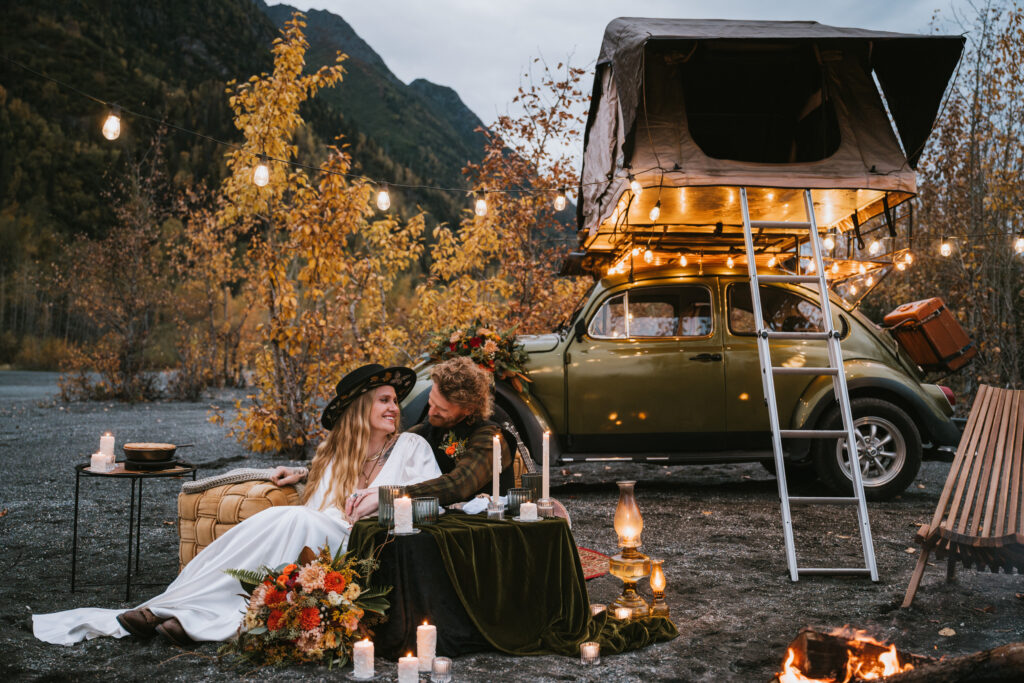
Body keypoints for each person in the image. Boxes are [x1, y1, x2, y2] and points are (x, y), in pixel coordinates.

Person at [33, 364, 441, 647]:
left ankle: (170, 610)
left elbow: (433, 502)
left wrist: (384, 499)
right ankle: (175, 611)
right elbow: (317, 509)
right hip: (319, 536)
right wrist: (304, 472)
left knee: (292, 518)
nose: (394, 409)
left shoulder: (412, 446)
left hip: (364, 543)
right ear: (359, 410)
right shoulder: (334, 457)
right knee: (280, 520)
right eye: (383, 400)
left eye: (394, 401)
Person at [345, 356, 513, 519]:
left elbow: (459, 484)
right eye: (431, 403)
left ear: (468, 409)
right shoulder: (427, 430)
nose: (431, 413)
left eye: (441, 410)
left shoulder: (489, 438)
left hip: (483, 526)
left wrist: (392, 494)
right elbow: (394, 451)